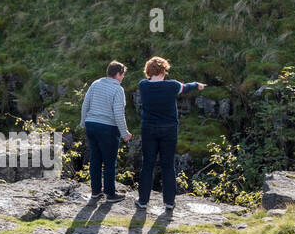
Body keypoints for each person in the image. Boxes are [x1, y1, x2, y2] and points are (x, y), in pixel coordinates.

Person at [136, 56, 205, 213]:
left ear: (148, 71)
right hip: (169, 129)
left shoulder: (143, 85)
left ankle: (143, 201)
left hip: (149, 129)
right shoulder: (172, 86)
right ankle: (169, 202)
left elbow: (149, 81)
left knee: (148, 164)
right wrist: (197, 85)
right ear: (164, 70)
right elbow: (186, 87)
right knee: (168, 165)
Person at [80, 60, 132, 201]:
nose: (123, 78)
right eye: (122, 75)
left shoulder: (95, 84)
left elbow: (85, 104)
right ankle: (110, 193)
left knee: (95, 159)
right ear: (117, 74)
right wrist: (125, 133)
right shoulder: (118, 89)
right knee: (109, 162)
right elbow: (118, 114)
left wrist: (83, 122)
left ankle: (96, 191)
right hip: (107, 128)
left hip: (91, 125)